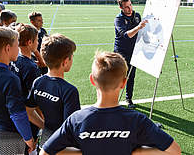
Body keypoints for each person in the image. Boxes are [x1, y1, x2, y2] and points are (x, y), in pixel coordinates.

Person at [40, 51, 181, 155]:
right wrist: (138, 152)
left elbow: (45, 152)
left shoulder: (77, 120)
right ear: (124, 83)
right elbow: (175, 151)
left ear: (92, 80)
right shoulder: (136, 120)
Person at [0, 25, 35, 154]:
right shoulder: (10, 78)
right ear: (7, 48)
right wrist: (28, 137)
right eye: (17, 45)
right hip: (9, 136)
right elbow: (18, 114)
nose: (18, 49)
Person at [26, 33, 80, 149]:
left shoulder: (38, 82)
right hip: (62, 146)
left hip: (45, 141)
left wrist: (44, 126)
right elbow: (70, 128)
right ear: (65, 61)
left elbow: (28, 111)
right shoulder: (69, 91)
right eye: (72, 56)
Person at [10, 23, 44, 155]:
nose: (38, 43)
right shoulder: (31, 67)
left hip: (14, 111)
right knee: (30, 148)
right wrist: (43, 120)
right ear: (30, 42)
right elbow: (34, 101)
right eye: (37, 40)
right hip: (27, 116)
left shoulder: (14, 58)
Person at [114, 0, 147, 108]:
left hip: (134, 51)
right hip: (121, 52)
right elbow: (127, 35)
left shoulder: (137, 15)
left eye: (130, 5)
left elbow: (142, 32)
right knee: (119, 76)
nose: (130, 9)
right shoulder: (118, 19)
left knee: (131, 76)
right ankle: (113, 100)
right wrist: (139, 27)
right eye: (126, 7)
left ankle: (129, 99)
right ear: (121, 8)